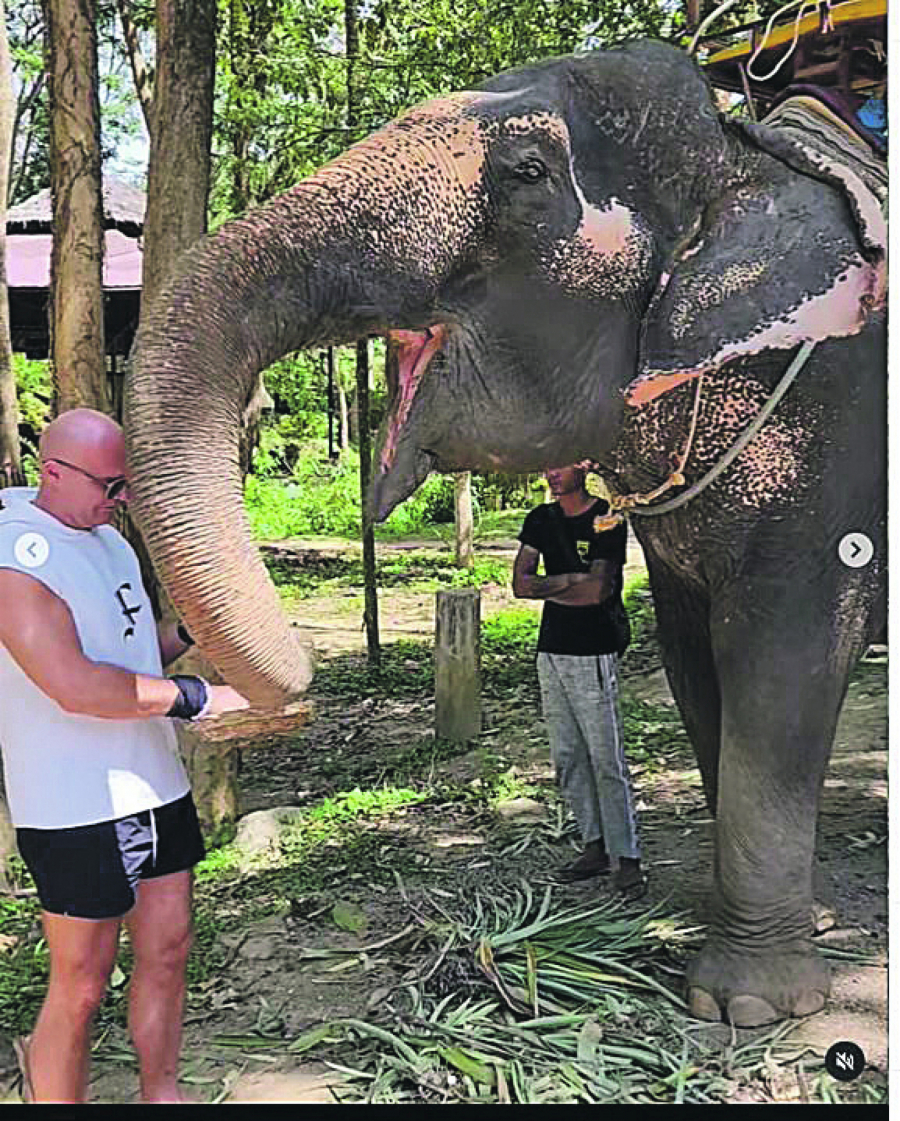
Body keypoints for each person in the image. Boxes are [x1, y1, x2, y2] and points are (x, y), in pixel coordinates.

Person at [0, 408, 250, 1104]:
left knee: (169, 948)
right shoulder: (16, 558)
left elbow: (132, 651)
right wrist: (192, 696)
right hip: (76, 801)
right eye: (110, 486)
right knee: (82, 982)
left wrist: (195, 629)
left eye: (126, 485)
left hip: (154, 782)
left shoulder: (106, 539)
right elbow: (74, 684)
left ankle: (160, 1093)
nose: (121, 500)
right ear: (53, 472)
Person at [513, 464, 645, 899]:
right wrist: (570, 579)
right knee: (568, 754)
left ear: (582, 467)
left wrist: (551, 586)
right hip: (551, 649)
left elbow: (598, 593)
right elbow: (519, 583)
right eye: (545, 465)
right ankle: (594, 844)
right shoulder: (540, 519)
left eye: (559, 465)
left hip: (594, 648)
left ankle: (627, 858)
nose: (550, 474)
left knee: (606, 757)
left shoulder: (606, 517)